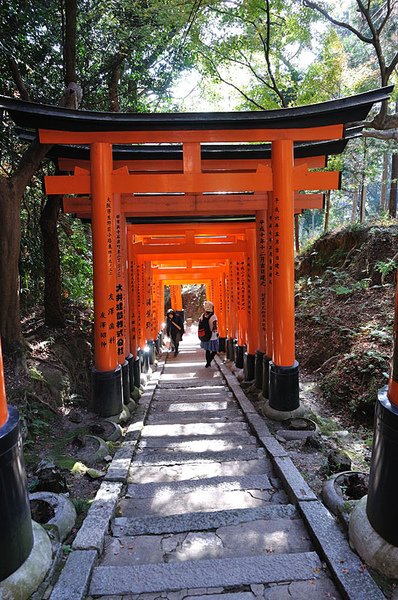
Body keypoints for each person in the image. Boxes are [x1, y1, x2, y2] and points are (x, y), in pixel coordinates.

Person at [198, 300, 219, 367]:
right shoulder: (213, 316)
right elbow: (215, 328)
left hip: (205, 335)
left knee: (207, 350)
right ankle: (209, 361)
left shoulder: (203, 315)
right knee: (214, 350)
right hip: (212, 336)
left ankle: (208, 363)